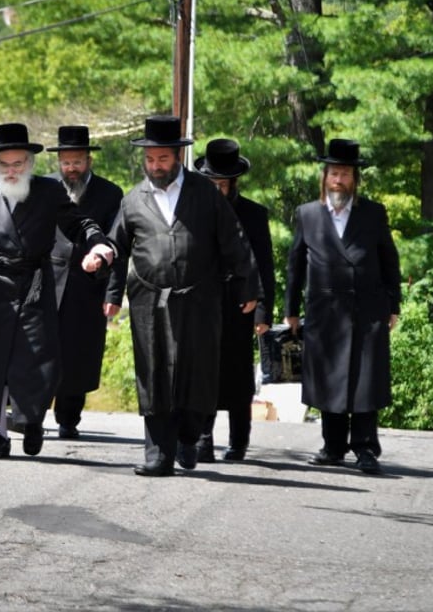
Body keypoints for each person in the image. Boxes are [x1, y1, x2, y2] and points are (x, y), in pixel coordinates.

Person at [0, 122, 114, 460]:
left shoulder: (48, 190)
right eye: (5, 165)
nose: (12, 171)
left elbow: (80, 224)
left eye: (18, 164)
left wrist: (99, 247)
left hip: (33, 285)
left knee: (36, 362)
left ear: (29, 164)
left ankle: (32, 422)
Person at [104, 116, 259, 476]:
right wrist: (112, 294)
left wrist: (248, 285)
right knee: (153, 373)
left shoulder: (204, 193)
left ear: (177, 156)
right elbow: (118, 247)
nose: (156, 166)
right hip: (148, 301)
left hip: (200, 297)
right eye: (151, 160)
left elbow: (233, 239)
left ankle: (189, 438)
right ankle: (158, 454)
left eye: (163, 159)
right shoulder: (133, 201)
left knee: (198, 373)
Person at [284, 138, 401, 475]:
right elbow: (296, 265)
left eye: (345, 174)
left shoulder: (373, 213)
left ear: (355, 179)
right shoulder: (308, 214)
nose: (339, 180)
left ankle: (365, 449)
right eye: (334, 173)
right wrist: (291, 309)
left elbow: (388, 260)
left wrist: (393, 304)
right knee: (329, 379)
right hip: (324, 309)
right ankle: (333, 446)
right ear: (325, 177)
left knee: (365, 382)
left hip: (367, 309)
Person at [193, 138, 275, 462]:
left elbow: (264, 263)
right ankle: (203, 438)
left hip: (242, 303)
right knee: (204, 372)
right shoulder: (195, 212)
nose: (216, 190)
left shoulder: (254, 214)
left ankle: (238, 440)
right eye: (211, 184)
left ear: (233, 183)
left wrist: (263, 309)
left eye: (222, 184)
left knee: (239, 377)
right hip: (203, 302)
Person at [46, 125, 123, 440]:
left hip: (88, 286)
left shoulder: (110, 194)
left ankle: (68, 418)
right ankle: (32, 413)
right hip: (47, 283)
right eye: (66, 162)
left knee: (78, 355)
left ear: (89, 160)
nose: (71, 168)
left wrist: (114, 292)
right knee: (40, 351)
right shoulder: (45, 187)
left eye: (77, 161)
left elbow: (119, 245)